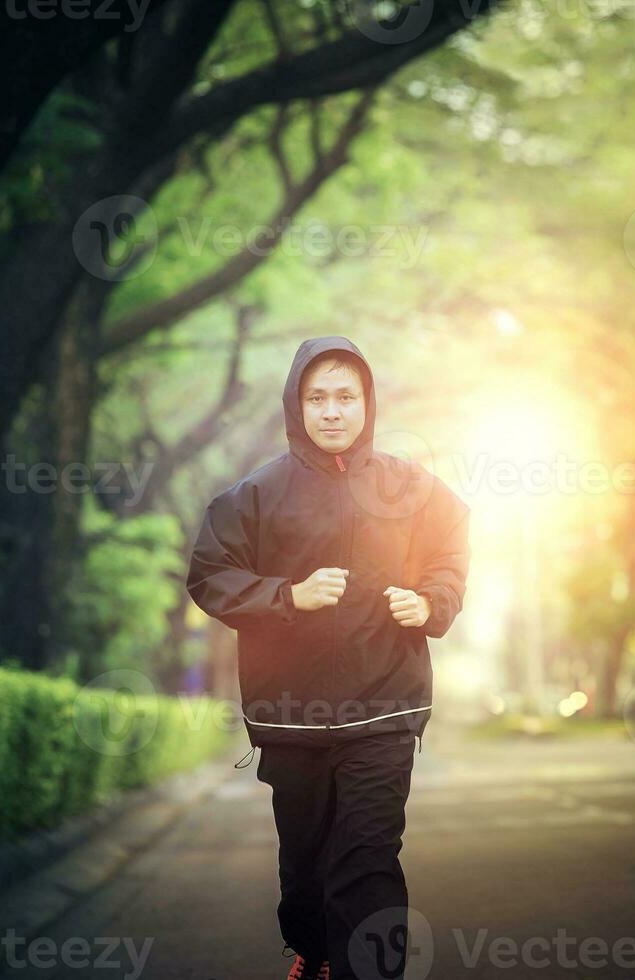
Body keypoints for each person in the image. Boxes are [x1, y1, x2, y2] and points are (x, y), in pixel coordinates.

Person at [186, 336, 471, 980]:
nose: (333, 412)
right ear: (297, 405)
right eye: (318, 398)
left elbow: (450, 548)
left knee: (367, 861)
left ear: (369, 404)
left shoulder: (411, 488)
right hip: (290, 719)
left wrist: (430, 602)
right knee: (307, 872)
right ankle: (313, 956)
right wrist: (287, 595)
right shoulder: (256, 495)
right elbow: (210, 575)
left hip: (386, 708)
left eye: (347, 397)